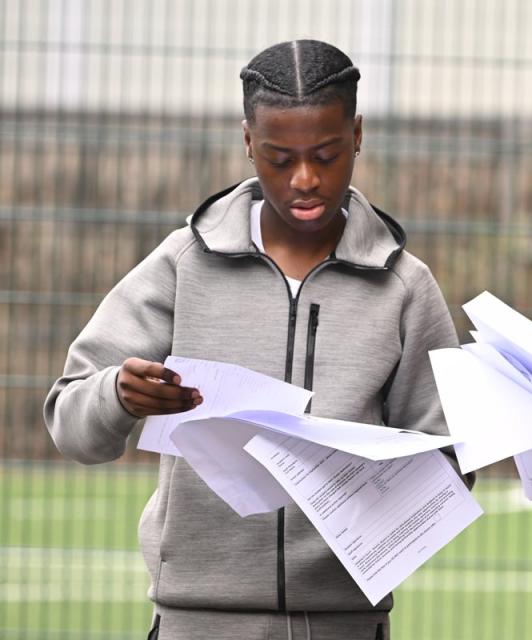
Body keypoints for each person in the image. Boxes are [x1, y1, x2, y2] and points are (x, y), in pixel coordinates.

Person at [44, 39, 471, 640]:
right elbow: (69, 423)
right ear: (248, 142)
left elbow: (450, 464)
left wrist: (366, 485)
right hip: (196, 622)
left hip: (346, 623)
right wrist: (117, 393)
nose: (305, 180)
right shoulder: (182, 264)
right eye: (278, 157)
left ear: (357, 136)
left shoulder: (404, 286)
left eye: (326, 154)